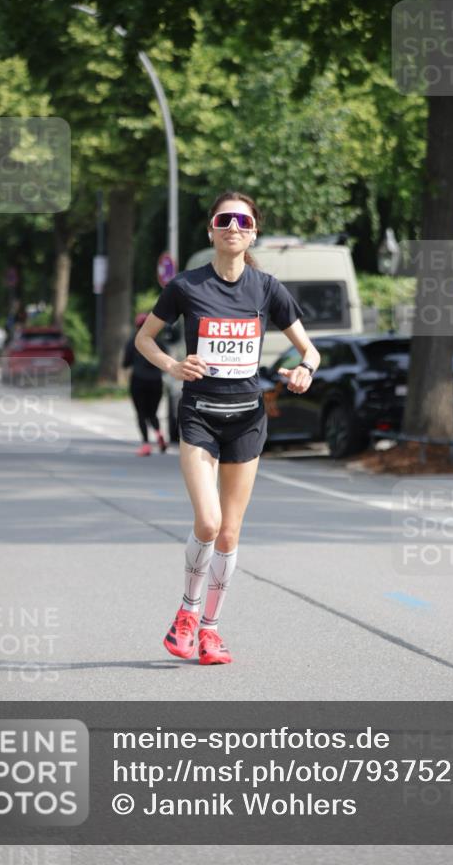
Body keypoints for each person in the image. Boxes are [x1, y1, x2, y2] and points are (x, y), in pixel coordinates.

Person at [136, 191, 320, 665]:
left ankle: (211, 631)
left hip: (246, 420)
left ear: (253, 232)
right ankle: (187, 612)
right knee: (208, 522)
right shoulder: (186, 286)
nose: (233, 227)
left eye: (242, 220)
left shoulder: (267, 288)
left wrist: (305, 370)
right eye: (224, 220)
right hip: (199, 414)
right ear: (211, 231)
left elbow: (310, 350)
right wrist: (173, 365)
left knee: (230, 534)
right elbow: (144, 339)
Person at [122, 313, 168, 456]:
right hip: (156, 382)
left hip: (138, 381)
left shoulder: (133, 342)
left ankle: (146, 445)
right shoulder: (159, 343)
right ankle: (159, 434)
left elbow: (125, 363)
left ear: (137, 326)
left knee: (141, 414)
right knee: (153, 413)